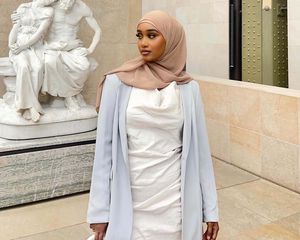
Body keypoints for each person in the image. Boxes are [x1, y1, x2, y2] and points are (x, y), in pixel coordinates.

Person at [87, 10, 219, 240]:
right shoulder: (116, 82)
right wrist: (99, 212)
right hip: (129, 195)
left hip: (174, 198)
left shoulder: (188, 89)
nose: (143, 43)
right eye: (140, 36)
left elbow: (201, 154)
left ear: (171, 40)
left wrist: (210, 211)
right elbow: (104, 153)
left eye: (152, 35)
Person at [41, 0, 101, 110]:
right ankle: (69, 97)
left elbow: (97, 30)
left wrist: (90, 49)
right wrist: (21, 12)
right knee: (49, 62)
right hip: (53, 47)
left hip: (74, 46)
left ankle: (72, 93)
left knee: (84, 66)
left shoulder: (82, 7)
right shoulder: (51, 4)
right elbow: (33, 9)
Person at [9, 0, 57, 121]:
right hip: (19, 46)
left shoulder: (48, 11)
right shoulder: (23, 7)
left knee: (38, 67)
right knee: (24, 66)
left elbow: (39, 33)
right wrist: (12, 45)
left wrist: (23, 46)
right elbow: (15, 27)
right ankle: (30, 107)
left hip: (35, 47)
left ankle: (30, 105)